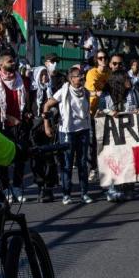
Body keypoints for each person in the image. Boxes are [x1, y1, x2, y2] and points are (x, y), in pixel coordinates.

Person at [42, 67, 94, 205]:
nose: (81, 78)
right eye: (78, 76)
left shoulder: (85, 92)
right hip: (67, 131)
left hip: (83, 130)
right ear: (71, 79)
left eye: (82, 75)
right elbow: (47, 105)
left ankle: (84, 193)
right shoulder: (63, 91)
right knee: (67, 162)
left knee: (83, 163)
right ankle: (66, 194)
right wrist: (46, 125)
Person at [98, 70, 139, 202]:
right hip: (113, 135)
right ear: (119, 81)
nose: (129, 81)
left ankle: (129, 188)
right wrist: (110, 112)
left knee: (129, 160)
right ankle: (113, 189)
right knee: (114, 161)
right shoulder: (106, 95)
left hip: (130, 133)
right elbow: (100, 110)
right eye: (126, 79)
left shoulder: (133, 92)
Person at [0, 50, 30, 203]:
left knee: (20, 157)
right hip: (3, 126)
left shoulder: (23, 80)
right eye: (10, 61)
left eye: (13, 61)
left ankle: (18, 187)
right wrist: (9, 118)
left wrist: (26, 114)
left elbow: (27, 100)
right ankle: (6, 188)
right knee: (3, 158)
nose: (13, 63)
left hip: (20, 126)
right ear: (1, 64)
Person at [29, 66, 58, 203]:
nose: (45, 77)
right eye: (42, 75)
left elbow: (56, 108)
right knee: (36, 160)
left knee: (49, 159)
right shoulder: (32, 92)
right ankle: (41, 187)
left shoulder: (51, 91)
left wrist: (50, 116)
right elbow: (27, 109)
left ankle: (48, 187)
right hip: (35, 130)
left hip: (48, 128)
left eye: (46, 74)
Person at [84, 50, 110, 182]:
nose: (103, 60)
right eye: (100, 58)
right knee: (93, 142)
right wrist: (98, 93)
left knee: (107, 142)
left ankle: (107, 168)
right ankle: (92, 168)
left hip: (107, 113)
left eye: (105, 57)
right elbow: (90, 90)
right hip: (93, 112)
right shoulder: (92, 73)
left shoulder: (110, 73)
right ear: (96, 60)